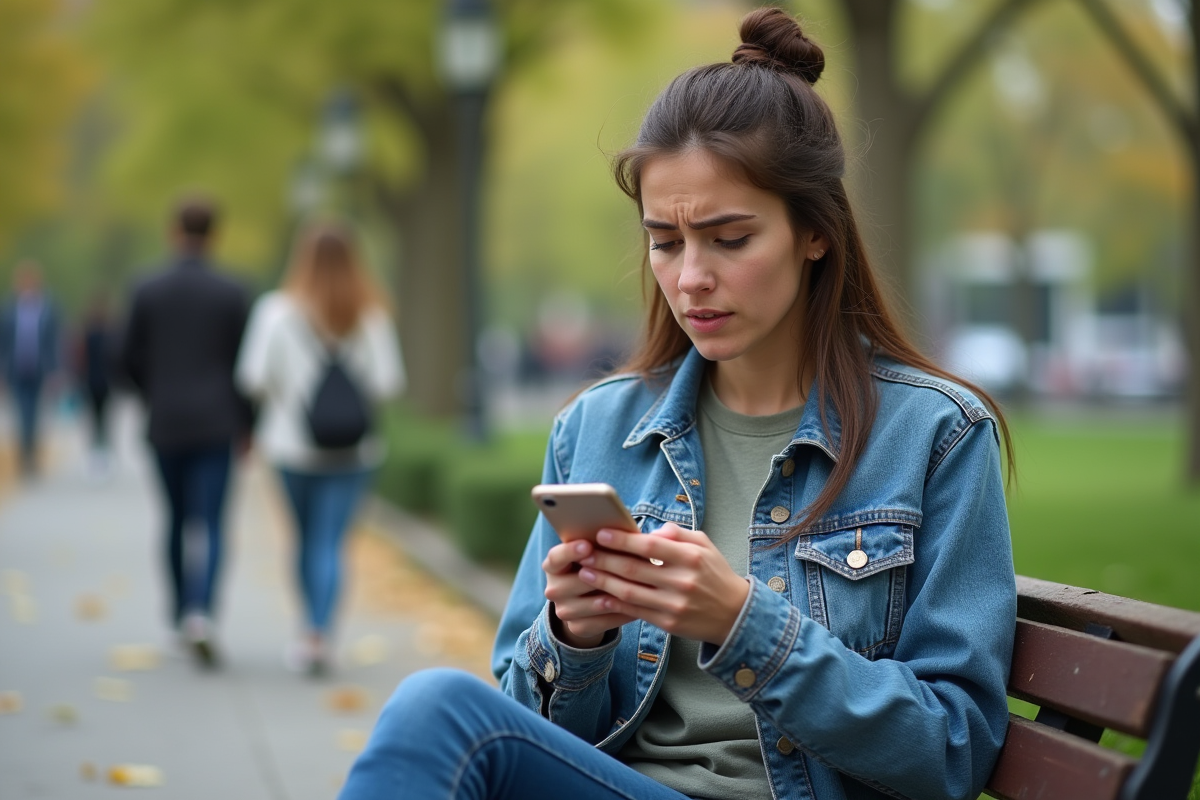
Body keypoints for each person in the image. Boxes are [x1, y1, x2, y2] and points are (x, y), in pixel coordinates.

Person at [340, 8, 1017, 800]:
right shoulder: (598, 428)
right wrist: (576, 637)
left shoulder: (933, 434)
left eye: (730, 240)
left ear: (815, 234)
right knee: (439, 710)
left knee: (436, 708)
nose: (691, 276)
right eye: (666, 242)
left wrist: (746, 626)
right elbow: (527, 726)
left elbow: (952, 750)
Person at [236, 222, 404, 677]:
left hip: (290, 448)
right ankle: (320, 633)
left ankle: (307, 631)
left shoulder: (275, 312)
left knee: (303, 539)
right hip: (354, 451)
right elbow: (388, 382)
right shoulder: (370, 315)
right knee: (331, 541)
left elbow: (251, 378)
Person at [119, 196, 252, 668]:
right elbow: (247, 365)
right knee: (213, 522)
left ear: (174, 231)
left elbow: (126, 358)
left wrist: (153, 391)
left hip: (167, 420)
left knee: (175, 520)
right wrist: (247, 423)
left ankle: (178, 614)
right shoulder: (233, 291)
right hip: (218, 422)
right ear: (214, 234)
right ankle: (203, 613)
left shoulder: (147, 288)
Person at [0, 261, 60, 477]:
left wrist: (55, 371)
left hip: (38, 368)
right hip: (15, 368)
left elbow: (54, 341)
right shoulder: (9, 309)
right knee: (21, 413)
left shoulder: (48, 308)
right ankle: (24, 456)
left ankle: (31, 454)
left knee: (34, 414)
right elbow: (3, 342)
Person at [74, 292, 116, 474]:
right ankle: (102, 455)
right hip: (102, 382)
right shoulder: (108, 333)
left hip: (93, 381)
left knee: (96, 420)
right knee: (102, 420)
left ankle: (98, 455)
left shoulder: (89, 333)